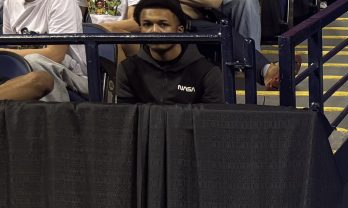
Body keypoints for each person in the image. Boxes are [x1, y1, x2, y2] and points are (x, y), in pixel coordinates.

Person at [102, 0, 295, 89]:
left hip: (190, 25)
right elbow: (137, 19)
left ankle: (264, 70)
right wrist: (107, 28)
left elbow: (212, 2)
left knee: (223, 32)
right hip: (157, 33)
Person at [115, 0, 222, 103]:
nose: (154, 31)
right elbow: (125, 114)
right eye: (147, 24)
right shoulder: (127, 70)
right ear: (140, 29)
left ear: (180, 30)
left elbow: (212, 116)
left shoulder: (207, 73)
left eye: (163, 24)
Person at [0, 0, 88, 101]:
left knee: (35, 61)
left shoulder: (62, 2)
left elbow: (56, 54)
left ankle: (53, 111)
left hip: (76, 77)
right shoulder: (10, 2)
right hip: (28, 73)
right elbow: (11, 50)